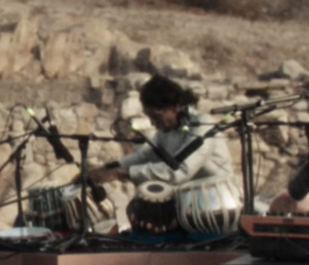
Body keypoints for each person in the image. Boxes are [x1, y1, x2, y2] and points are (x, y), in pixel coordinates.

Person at [83, 74, 235, 191]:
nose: (153, 124)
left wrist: (122, 173)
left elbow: (179, 171)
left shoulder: (201, 125)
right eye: (150, 117)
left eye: (156, 116)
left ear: (176, 106)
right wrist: (108, 168)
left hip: (219, 202)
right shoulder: (167, 129)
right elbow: (148, 155)